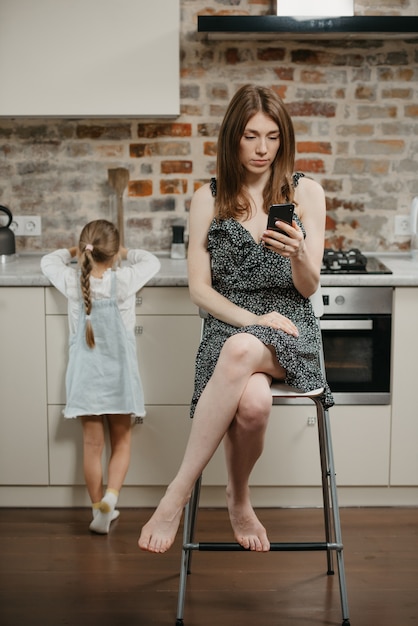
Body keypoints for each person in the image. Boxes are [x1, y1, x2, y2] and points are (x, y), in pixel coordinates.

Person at [138, 84, 333, 555]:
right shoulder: (209, 197)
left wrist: (301, 253)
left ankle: (176, 494)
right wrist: (253, 318)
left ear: (283, 139)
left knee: (244, 349)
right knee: (253, 405)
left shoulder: (306, 192)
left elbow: (308, 288)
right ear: (233, 138)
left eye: (272, 136)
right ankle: (238, 499)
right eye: (250, 136)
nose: (263, 148)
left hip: (290, 327)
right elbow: (200, 291)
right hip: (230, 323)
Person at [41, 219, 160, 534]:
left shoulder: (71, 280)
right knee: (121, 441)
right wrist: (127, 251)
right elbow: (153, 261)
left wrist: (71, 250)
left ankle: (98, 511)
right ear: (114, 254)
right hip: (119, 377)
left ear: (85, 250)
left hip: (86, 377)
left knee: (92, 445)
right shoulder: (124, 280)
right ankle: (112, 496)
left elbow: (46, 261)